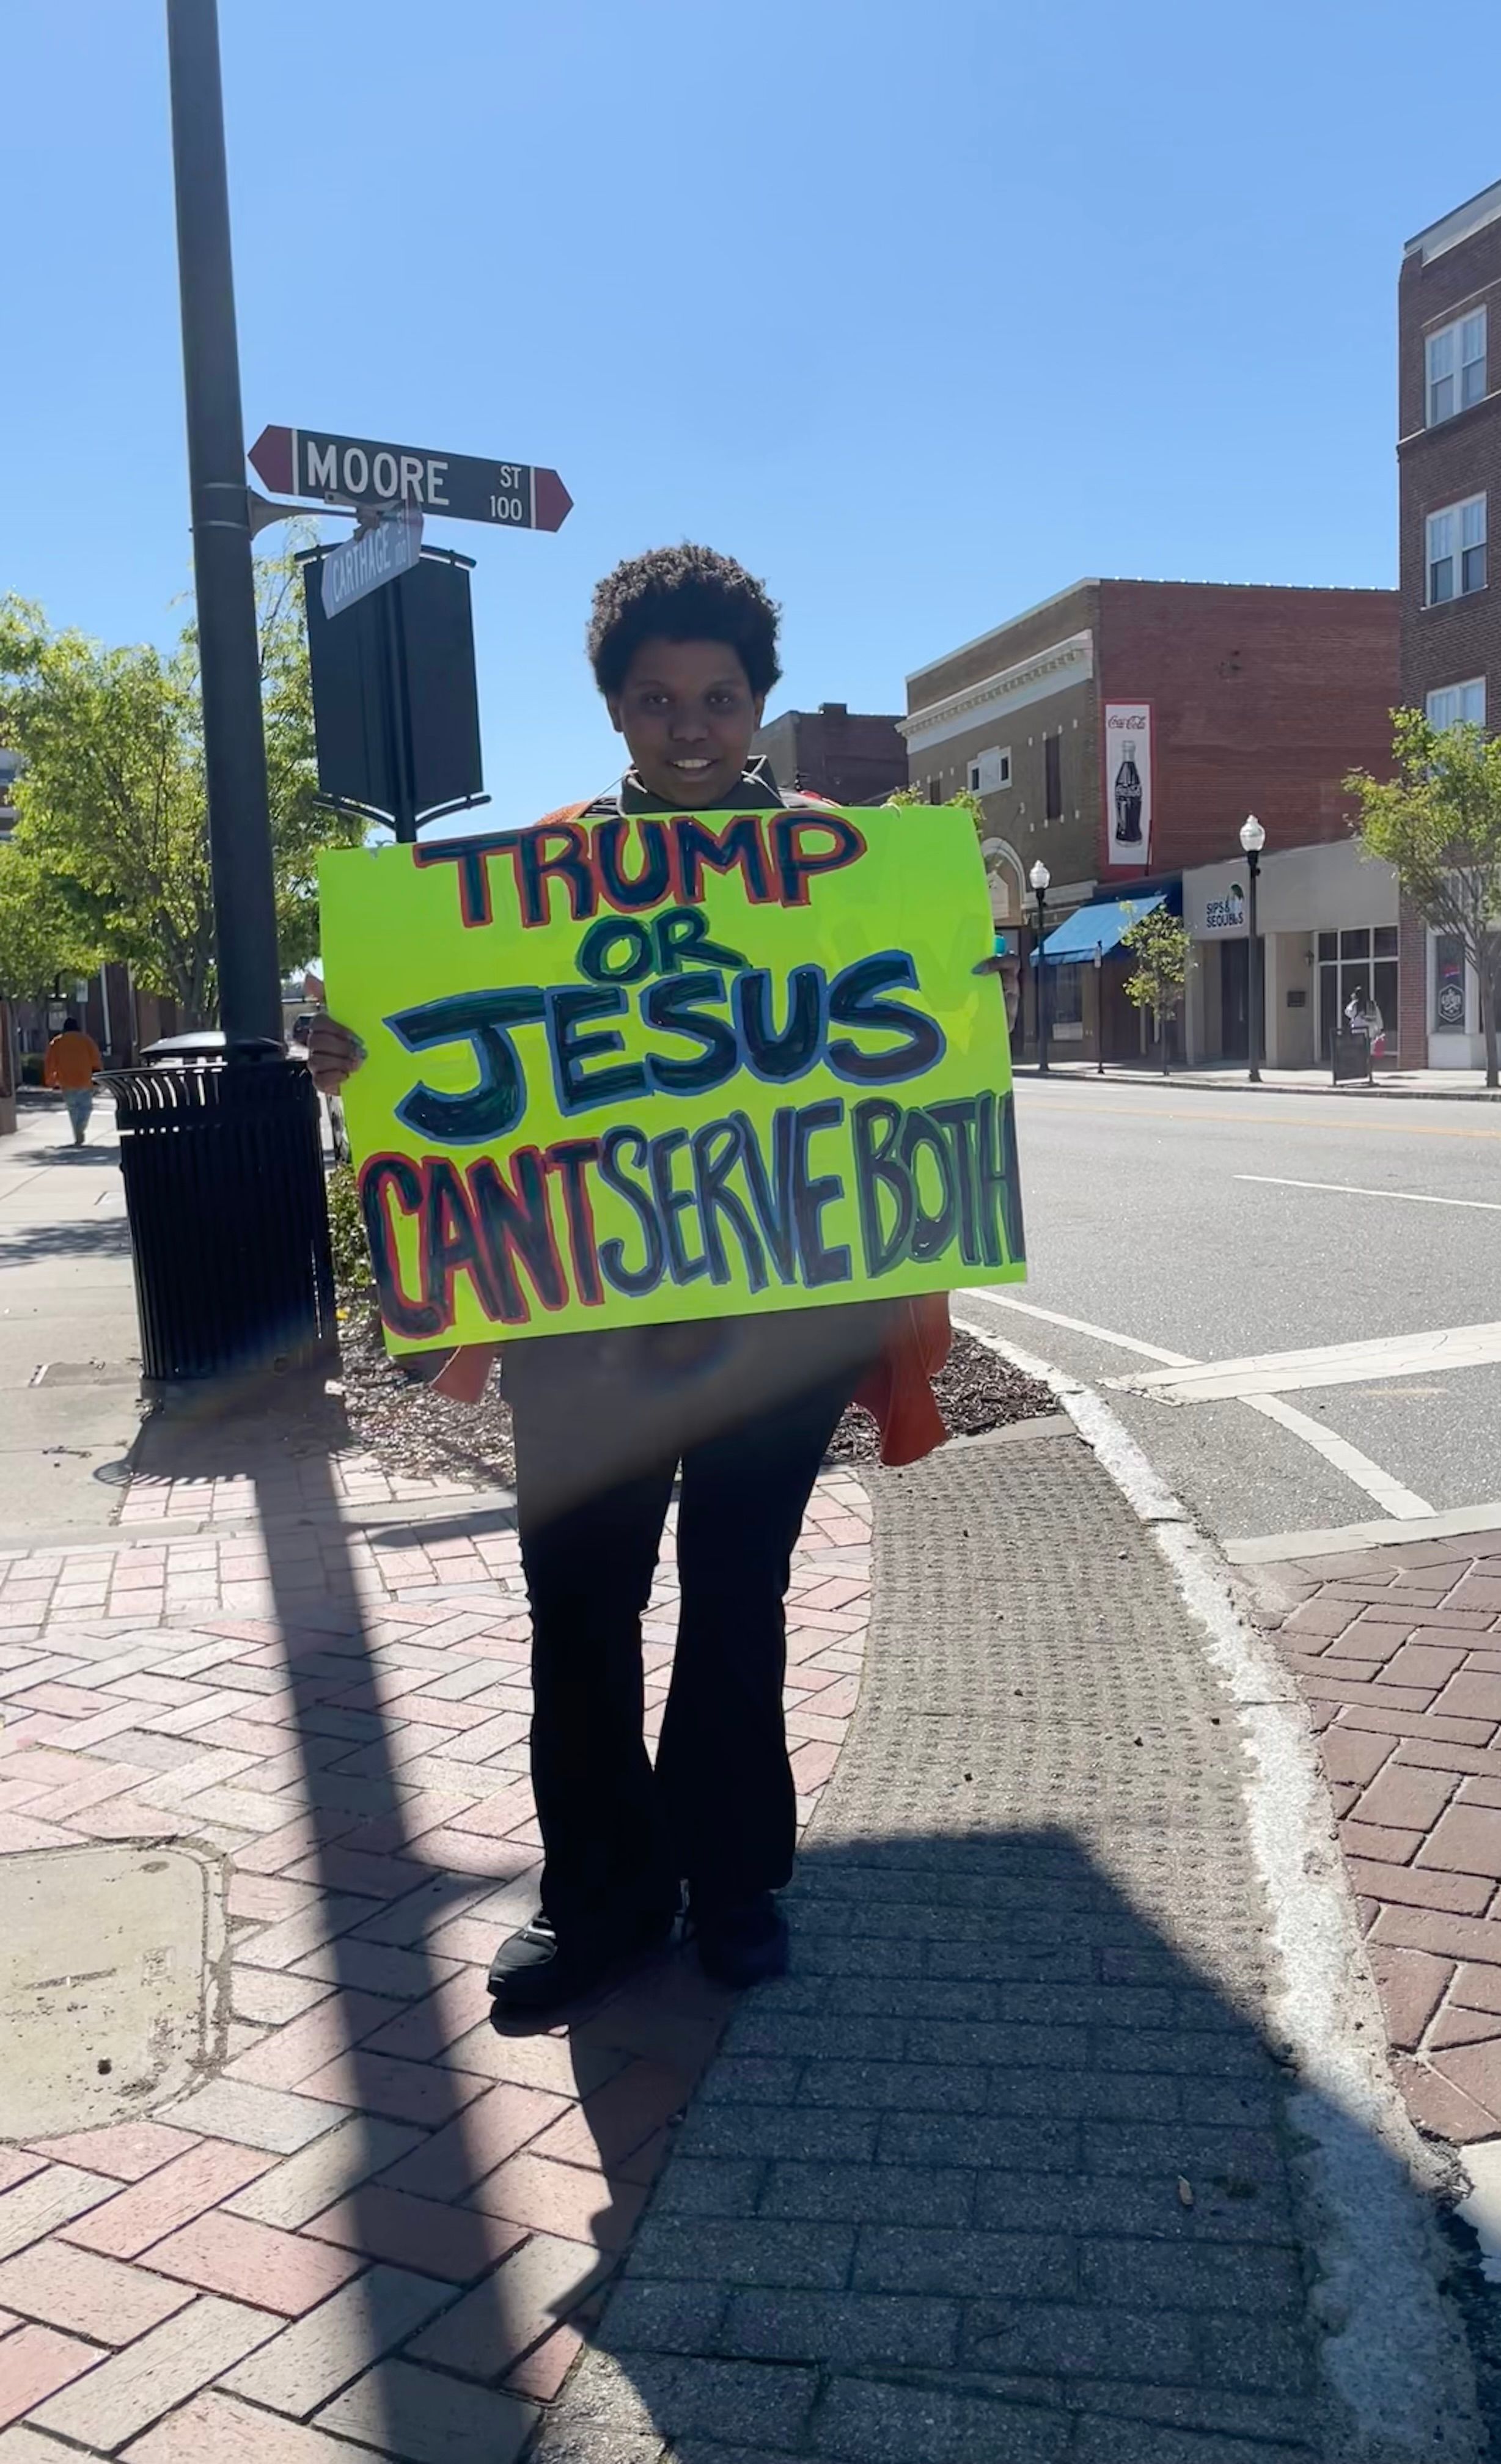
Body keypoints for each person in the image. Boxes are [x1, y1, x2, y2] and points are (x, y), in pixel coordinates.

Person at [309, 545, 1007, 2011]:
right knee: (580, 1603)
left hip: (782, 1309)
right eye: (656, 700)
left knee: (737, 1598)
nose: (690, 729)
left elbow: (910, 1049)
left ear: (758, 704)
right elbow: (450, 1051)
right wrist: (365, 1054)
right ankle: (601, 1900)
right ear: (617, 710)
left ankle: (733, 1881)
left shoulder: (847, 868)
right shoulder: (534, 878)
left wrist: (960, 988)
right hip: (590, 1315)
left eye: (719, 698)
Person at [44, 1016, 103, 1146]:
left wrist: (50, 1079)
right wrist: (98, 1074)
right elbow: (96, 1059)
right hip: (85, 1079)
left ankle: (77, 1132)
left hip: (66, 1081)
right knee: (86, 1107)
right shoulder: (86, 1040)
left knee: (73, 1109)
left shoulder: (57, 1042)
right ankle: (81, 1127)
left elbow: (50, 1062)